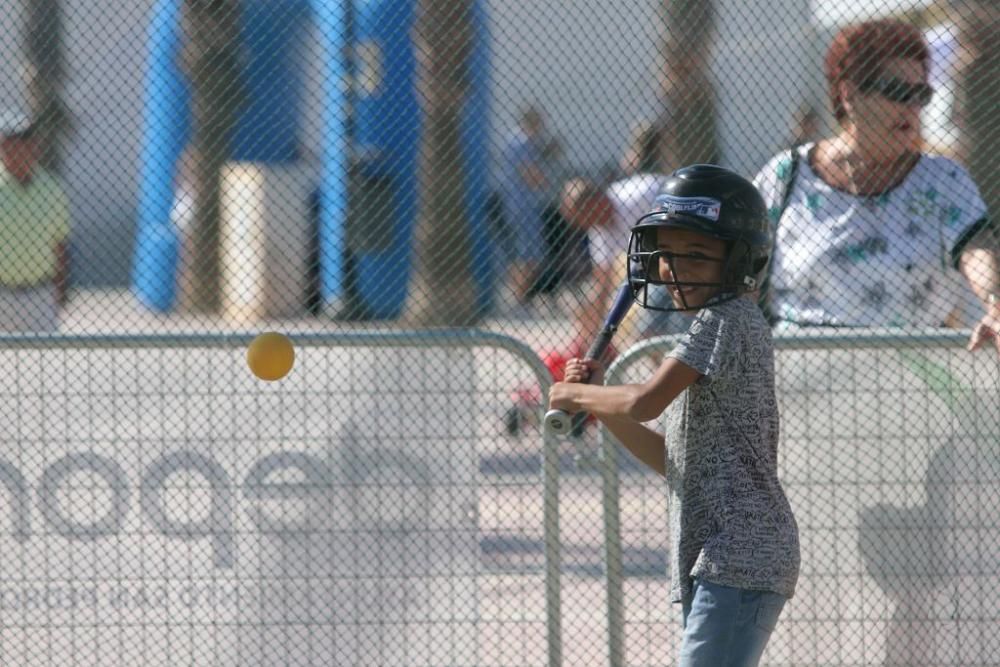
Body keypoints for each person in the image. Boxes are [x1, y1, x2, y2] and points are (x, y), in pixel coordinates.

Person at [548, 165, 800, 666]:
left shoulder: (724, 319)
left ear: (739, 260)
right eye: (666, 253)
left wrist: (574, 396)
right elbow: (672, 458)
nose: (675, 269)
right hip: (715, 553)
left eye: (698, 255)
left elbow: (644, 401)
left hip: (740, 554)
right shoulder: (712, 325)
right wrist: (600, 397)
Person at [754, 19, 1000, 353]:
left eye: (921, 94)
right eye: (898, 91)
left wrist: (994, 303)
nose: (912, 107)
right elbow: (742, 267)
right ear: (849, 93)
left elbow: (975, 247)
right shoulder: (786, 174)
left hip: (912, 382)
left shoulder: (943, 179)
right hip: (799, 378)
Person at [0, 110, 70, 332]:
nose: (20, 149)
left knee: (45, 360)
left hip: (40, 294)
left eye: (26, 141)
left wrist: (60, 290)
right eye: (12, 142)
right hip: (2, 293)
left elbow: (60, 244)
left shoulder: (52, 189)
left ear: (36, 147)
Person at [498, 106, 555, 307]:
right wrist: (549, 182)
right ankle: (519, 297)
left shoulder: (520, 141)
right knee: (528, 253)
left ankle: (520, 295)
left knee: (526, 252)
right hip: (522, 206)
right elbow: (529, 173)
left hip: (520, 204)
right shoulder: (522, 142)